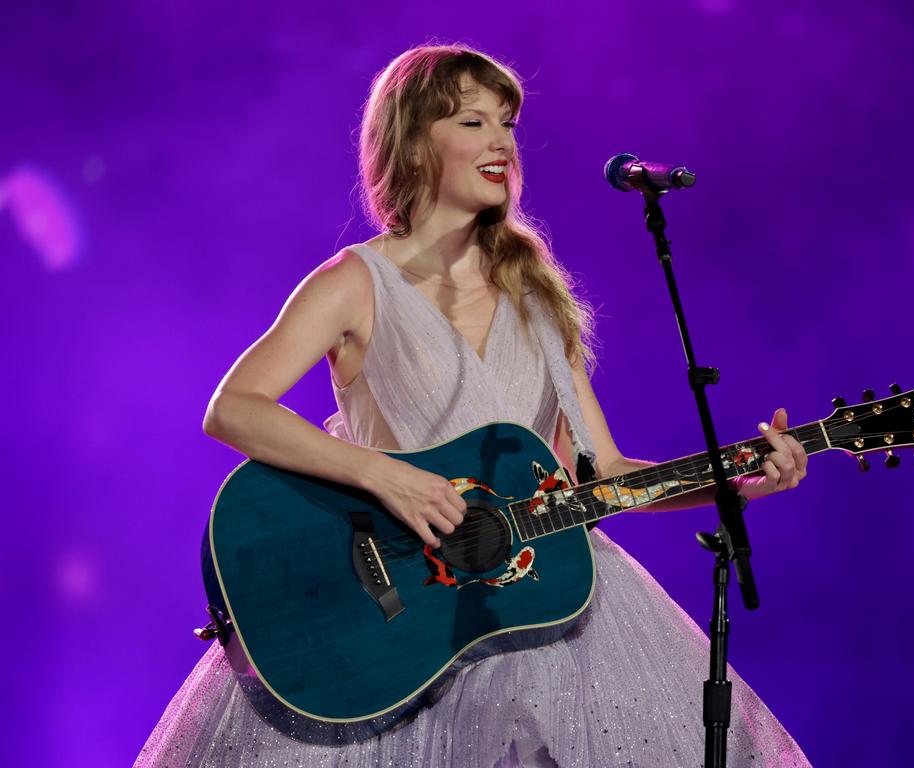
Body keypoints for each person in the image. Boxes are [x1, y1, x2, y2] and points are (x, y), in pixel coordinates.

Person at [134, 43, 811, 768]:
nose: (501, 141)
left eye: (508, 124)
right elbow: (234, 407)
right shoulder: (355, 283)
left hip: (545, 606)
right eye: (473, 121)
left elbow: (599, 472)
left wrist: (730, 485)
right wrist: (381, 474)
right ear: (416, 143)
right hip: (401, 618)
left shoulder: (539, 296)